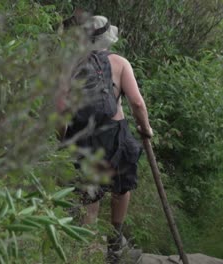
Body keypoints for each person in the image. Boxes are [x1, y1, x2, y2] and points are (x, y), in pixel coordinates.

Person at [58, 15, 153, 263]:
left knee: (90, 193)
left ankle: (87, 251)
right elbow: (137, 103)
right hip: (116, 135)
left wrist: (64, 138)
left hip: (83, 136)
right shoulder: (120, 63)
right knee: (121, 188)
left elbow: (59, 111)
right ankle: (115, 245)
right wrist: (146, 129)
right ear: (107, 38)